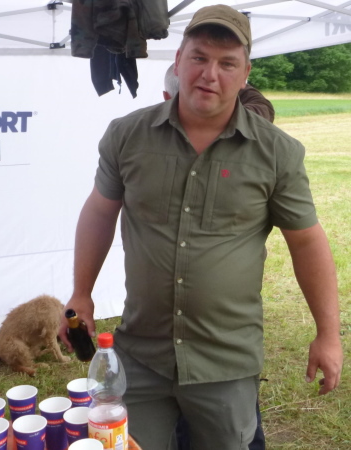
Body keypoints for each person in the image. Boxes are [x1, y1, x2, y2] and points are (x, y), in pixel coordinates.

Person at [59, 4, 343, 450]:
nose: (210, 74)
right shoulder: (127, 136)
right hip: (143, 354)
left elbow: (307, 242)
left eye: (227, 63)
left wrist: (328, 334)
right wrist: (82, 292)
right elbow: (99, 211)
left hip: (224, 362)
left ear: (245, 74)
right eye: (199, 58)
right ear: (178, 61)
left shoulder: (276, 153)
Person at [164, 62, 269, 450]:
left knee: (231, 422)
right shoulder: (153, 140)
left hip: (218, 338)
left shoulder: (250, 128)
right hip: (178, 338)